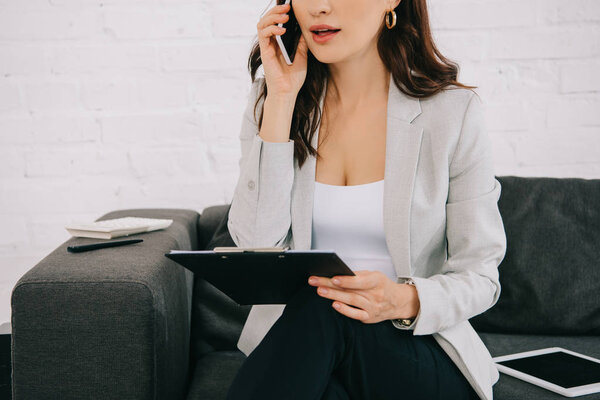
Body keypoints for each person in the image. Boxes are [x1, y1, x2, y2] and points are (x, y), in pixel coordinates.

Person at [225, 0, 507, 399]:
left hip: (417, 349)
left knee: (322, 303)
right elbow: (255, 246)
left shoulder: (452, 113)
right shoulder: (274, 98)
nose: (319, 8)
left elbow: (481, 277)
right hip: (312, 349)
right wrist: (282, 101)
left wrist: (401, 299)